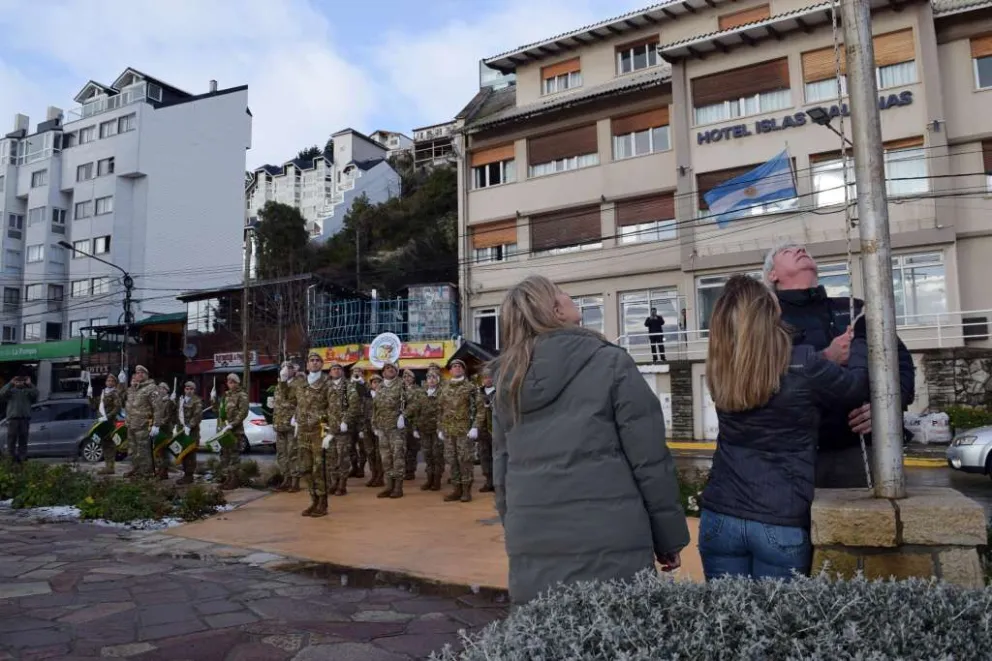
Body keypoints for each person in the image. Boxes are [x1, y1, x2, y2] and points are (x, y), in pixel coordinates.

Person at [490, 275, 688, 604]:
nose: (569, 298)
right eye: (562, 294)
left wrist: (518, 534)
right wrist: (669, 539)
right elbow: (649, 461)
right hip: (612, 542)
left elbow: (502, 471)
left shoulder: (506, 382)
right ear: (555, 310)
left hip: (534, 542)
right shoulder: (610, 361)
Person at [699, 275, 870, 581]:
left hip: (719, 517)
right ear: (770, 310)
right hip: (780, 520)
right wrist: (856, 346)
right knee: (779, 626)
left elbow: (770, 372)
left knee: (728, 625)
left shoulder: (720, 367)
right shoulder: (804, 362)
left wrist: (824, 357)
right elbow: (856, 389)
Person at [763, 242, 915, 488]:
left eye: (803, 249)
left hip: (859, 452)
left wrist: (888, 407)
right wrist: (824, 357)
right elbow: (759, 378)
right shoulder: (766, 318)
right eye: (788, 252)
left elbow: (901, 362)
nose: (801, 250)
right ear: (773, 275)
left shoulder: (854, 308)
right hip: (793, 456)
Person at [437, 359, 485, 503]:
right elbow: (439, 410)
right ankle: (456, 489)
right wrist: (440, 428)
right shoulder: (444, 388)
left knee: (465, 461)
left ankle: (466, 491)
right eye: (454, 366)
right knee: (452, 461)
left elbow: (480, 409)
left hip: (465, 431)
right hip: (449, 431)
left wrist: (475, 426)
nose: (457, 368)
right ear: (450, 371)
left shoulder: (471, 388)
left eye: (459, 366)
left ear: (463, 370)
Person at [297, 352, 331, 517]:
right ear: (307, 364)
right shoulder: (302, 383)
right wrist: (296, 421)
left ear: (322, 364)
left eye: (318, 361)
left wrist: (329, 432)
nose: (315, 363)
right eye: (312, 360)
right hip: (303, 430)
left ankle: (322, 503)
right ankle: (313, 500)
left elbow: (334, 408)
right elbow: (297, 404)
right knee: (305, 468)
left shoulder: (327, 383)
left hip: (319, 430)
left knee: (319, 468)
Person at [372, 362, 407, 499]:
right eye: (387, 368)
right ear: (383, 372)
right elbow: (375, 408)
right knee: (386, 458)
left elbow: (414, 402)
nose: (390, 370)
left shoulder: (402, 384)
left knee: (398, 457)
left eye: (392, 368)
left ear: (396, 371)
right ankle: (389, 486)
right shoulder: (379, 387)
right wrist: (374, 425)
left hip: (396, 429)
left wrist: (403, 415)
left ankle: (398, 487)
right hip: (382, 428)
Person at [324, 361, 360, 496]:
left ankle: (342, 485)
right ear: (330, 372)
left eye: (338, 369)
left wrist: (346, 421)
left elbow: (354, 406)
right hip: (330, 429)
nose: (336, 371)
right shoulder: (326, 387)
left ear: (342, 372)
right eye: (333, 369)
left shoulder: (349, 387)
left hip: (343, 429)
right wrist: (323, 424)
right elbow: (322, 406)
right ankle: (334, 482)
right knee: (331, 457)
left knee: (342, 457)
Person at [408, 371, 442, 491]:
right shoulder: (421, 394)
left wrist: (442, 428)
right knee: (428, 455)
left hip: (437, 430)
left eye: (434, 377)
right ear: (426, 380)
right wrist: (415, 428)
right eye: (429, 378)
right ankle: (429, 479)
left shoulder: (442, 393)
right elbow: (416, 412)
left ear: (438, 379)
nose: (431, 380)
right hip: (424, 430)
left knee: (437, 455)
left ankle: (437, 480)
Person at [123, 366, 160, 478]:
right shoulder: (135, 388)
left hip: (143, 425)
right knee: (133, 451)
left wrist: (156, 425)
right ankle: (137, 470)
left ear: (145, 374)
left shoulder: (151, 388)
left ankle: (146, 473)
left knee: (143, 451)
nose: (137, 375)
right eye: (136, 373)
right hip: (132, 424)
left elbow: (158, 407)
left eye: (140, 373)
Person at [218, 373, 249, 491]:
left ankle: (235, 480)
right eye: (228, 382)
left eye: (232, 382)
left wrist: (232, 424)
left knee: (234, 455)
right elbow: (221, 411)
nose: (230, 384)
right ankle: (228, 478)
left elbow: (243, 413)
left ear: (237, 383)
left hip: (235, 430)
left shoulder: (242, 395)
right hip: (225, 430)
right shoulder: (226, 396)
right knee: (225, 454)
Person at [0, 369, 38, 463]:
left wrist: (30, 384)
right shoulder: (10, 392)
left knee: (23, 441)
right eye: (17, 381)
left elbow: (36, 393)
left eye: (21, 381)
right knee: (11, 441)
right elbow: (1, 393)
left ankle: (22, 459)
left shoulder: (28, 392)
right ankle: (11, 460)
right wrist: (10, 383)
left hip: (24, 419)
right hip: (13, 420)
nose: (19, 382)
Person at [272, 361, 299, 491]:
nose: (285, 370)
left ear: (294, 370)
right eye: (283, 367)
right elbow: (277, 405)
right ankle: (286, 478)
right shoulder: (278, 385)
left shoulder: (298, 384)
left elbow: (300, 403)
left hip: (291, 424)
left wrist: (297, 417)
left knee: (292, 453)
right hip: (279, 424)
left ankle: (295, 480)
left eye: (288, 368)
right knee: (281, 454)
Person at [89, 373, 123, 475]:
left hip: (110, 422)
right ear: (105, 382)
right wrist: (89, 396)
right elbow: (94, 406)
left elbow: (117, 408)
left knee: (110, 444)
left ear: (115, 383)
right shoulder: (103, 393)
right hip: (101, 422)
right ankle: (107, 466)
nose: (110, 382)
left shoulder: (115, 393)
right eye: (108, 381)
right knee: (104, 444)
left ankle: (110, 466)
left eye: (112, 381)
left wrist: (108, 416)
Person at [177, 381, 204, 485]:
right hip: (182, 432)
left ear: (194, 390)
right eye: (187, 389)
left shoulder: (197, 401)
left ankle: (189, 475)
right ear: (184, 389)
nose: (189, 391)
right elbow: (177, 413)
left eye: (191, 389)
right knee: (183, 453)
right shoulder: (181, 400)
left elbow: (197, 416)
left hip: (192, 433)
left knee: (190, 455)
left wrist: (190, 425)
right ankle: (185, 474)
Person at [477, 369, 496, 493]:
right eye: (485, 377)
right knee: (484, 456)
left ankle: (498, 482)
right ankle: (489, 481)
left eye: (489, 377)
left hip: (496, 429)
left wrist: (491, 406)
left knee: (497, 456)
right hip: (482, 430)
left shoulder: (499, 391)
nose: (487, 379)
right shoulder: (478, 393)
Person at [364, 373, 384, 487]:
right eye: (374, 382)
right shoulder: (366, 397)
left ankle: (380, 477)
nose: (376, 384)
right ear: (370, 384)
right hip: (367, 428)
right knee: (370, 452)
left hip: (380, 427)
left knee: (379, 453)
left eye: (378, 382)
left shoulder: (384, 395)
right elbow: (361, 412)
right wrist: (362, 429)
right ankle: (374, 475)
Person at [348, 366, 369, 480]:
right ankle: (354, 466)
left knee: (362, 446)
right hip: (351, 419)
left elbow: (367, 395)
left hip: (362, 419)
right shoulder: (347, 384)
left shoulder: (366, 385)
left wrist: (361, 383)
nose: (357, 373)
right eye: (355, 372)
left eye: (359, 372)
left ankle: (361, 467)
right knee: (350, 445)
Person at [401, 369, 422, 481]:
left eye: (409, 377)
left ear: (413, 379)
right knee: (401, 447)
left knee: (412, 448)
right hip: (400, 423)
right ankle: (403, 469)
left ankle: (411, 470)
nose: (406, 379)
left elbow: (417, 406)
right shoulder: (399, 390)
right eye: (404, 377)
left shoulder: (418, 390)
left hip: (412, 422)